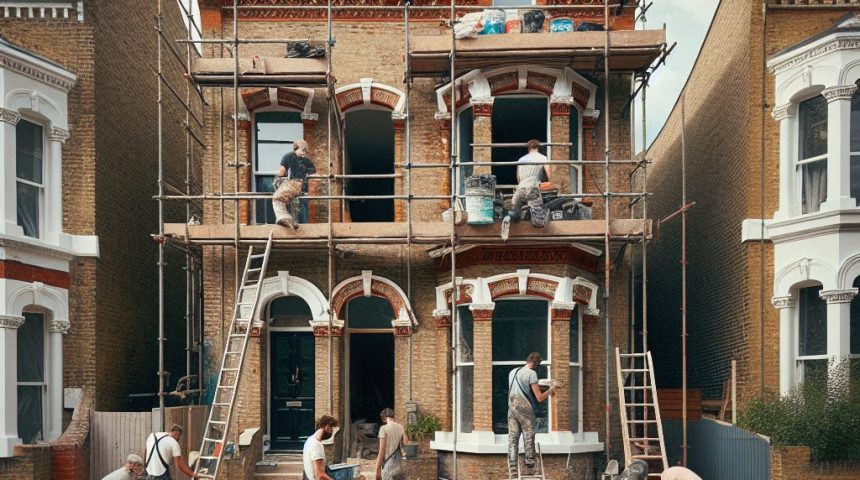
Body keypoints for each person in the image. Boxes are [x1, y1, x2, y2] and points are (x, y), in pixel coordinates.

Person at [507, 352, 556, 478]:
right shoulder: (532, 373)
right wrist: (551, 389)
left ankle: (512, 468)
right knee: (528, 435)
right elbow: (539, 397)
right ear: (536, 363)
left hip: (512, 407)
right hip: (524, 408)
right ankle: (529, 462)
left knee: (513, 438)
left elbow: (522, 387)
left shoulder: (513, 372)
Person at [501, 139, 551, 240]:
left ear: (528, 148)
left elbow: (519, 178)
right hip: (533, 188)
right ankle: (537, 236)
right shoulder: (543, 158)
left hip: (520, 189)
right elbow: (550, 176)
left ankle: (508, 218)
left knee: (515, 212)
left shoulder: (521, 159)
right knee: (536, 212)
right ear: (538, 147)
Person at [273, 139, 316, 227]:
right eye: (303, 150)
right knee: (293, 205)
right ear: (296, 148)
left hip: (293, 184)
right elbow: (313, 171)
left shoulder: (288, 156)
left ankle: (284, 218)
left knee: (276, 198)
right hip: (302, 187)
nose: (304, 153)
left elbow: (281, 173)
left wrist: (278, 178)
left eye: (305, 151)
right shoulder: (307, 161)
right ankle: (292, 222)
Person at [374, 408, 410, 480]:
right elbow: (406, 442)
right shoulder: (400, 427)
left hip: (389, 467)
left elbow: (382, 451)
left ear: (384, 418)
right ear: (393, 416)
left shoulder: (383, 428)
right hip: (400, 465)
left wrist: (377, 471)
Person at [303, 415, 339, 480]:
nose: (332, 433)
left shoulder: (309, 440)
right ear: (327, 427)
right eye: (332, 429)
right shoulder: (316, 445)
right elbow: (319, 475)